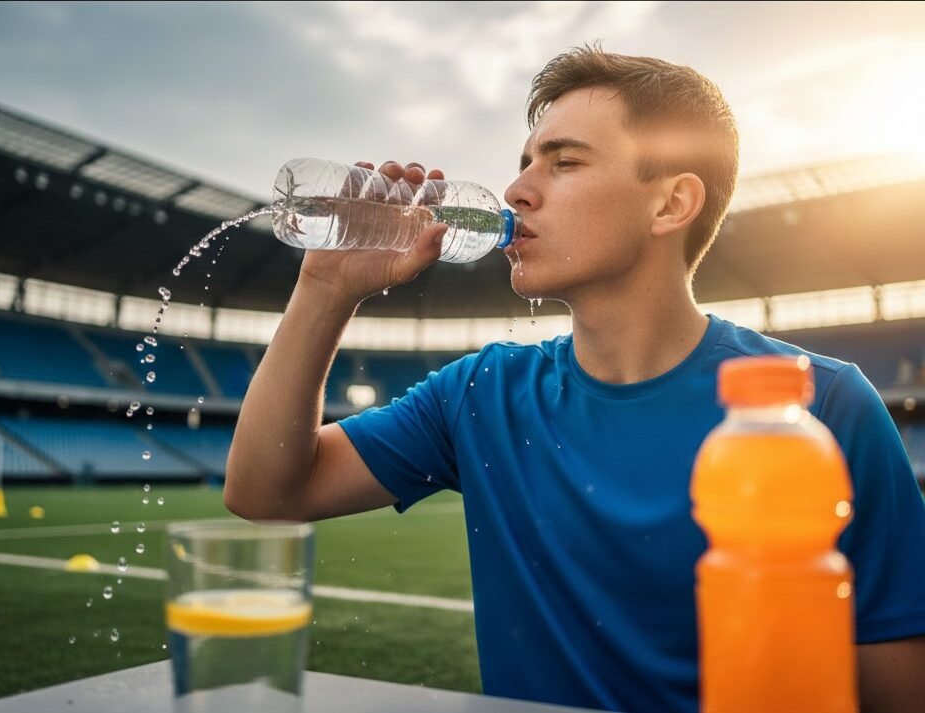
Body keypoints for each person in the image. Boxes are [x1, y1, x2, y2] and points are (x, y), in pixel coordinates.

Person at [225, 45, 925, 713]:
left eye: (563, 163)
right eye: (525, 161)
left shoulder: (818, 407)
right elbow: (267, 490)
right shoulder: (479, 394)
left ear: (670, 204)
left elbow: (899, 696)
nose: (516, 190)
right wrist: (325, 289)